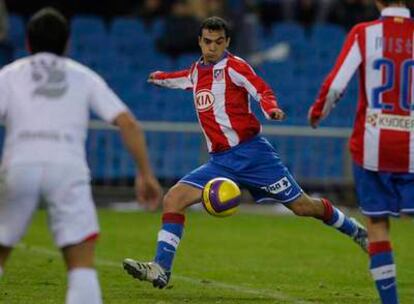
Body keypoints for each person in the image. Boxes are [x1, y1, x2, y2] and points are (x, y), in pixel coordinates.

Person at [123, 16, 368, 289]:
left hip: (254, 156)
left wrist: (270, 108)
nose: (212, 47)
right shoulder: (195, 72)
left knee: (303, 207)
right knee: (173, 199)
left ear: (227, 42)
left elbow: (260, 89)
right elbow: (178, 79)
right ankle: (161, 268)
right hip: (220, 162)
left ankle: (354, 229)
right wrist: (159, 78)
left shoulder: (234, 67)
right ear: (200, 42)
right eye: (207, 42)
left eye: (218, 42)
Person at [0, 7, 162, 304]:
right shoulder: (83, 77)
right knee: (81, 266)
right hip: (68, 170)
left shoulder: (9, 75)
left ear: (27, 43)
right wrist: (146, 174)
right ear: (67, 43)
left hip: (19, 166)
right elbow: (128, 122)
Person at [308, 1, 413, 303]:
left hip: (372, 145)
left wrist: (317, 113)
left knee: (378, 225)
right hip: (413, 145)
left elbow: (336, 85)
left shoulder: (363, 33)